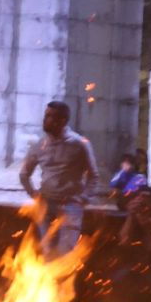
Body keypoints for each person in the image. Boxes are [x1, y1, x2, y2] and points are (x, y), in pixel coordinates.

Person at [19, 101, 98, 258]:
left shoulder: (79, 144)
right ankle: (48, 282)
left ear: (62, 121)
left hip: (70, 205)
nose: (45, 119)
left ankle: (62, 281)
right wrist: (34, 194)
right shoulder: (39, 145)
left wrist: (83, 198)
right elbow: (24, 174)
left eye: (50, 116)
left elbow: (93, 175)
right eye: (45, 115)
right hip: (46, 203)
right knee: (46, 252)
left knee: (65, 253)